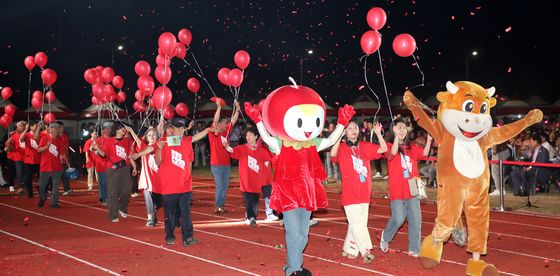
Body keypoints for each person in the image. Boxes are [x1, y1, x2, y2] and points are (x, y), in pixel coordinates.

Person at [330, 120, 387, 263]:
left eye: (355, 127)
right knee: (357, 223)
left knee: (359, 223)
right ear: (345, 132)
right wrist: (339, 137)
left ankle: (350, 249)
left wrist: (379, 134)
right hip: (350, 193)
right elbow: (332, 154)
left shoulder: (365, 146)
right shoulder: (342, 148)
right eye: (349, 128)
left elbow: (383, 149)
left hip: (364, 192)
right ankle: (365, 251)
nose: (353, 130)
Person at [379, 119, 432, 257]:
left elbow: (424, 154)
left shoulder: (411, 147)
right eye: (399, 127)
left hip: (412, 189)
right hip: (397, 189)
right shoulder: (389, 145)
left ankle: (414, 248)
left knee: (416, 219)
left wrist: (429, 141)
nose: (402, 129)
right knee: (398, 218)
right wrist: (397, 137)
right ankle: (386, 237)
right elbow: (393, 152)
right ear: (393, 129)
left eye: (404, 127)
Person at [155, 117, 210, 246]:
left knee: (186, 213)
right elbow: (158, 162)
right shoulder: (164, 142)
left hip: (185, 186)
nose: (180, 131)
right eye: (177, 128)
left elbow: (196, 138)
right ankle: (169, 236)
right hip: (169, 187)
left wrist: (207, 129)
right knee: (170, 215)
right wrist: (158, 148)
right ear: (171, 130)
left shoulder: (186, 141)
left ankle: (188, 237)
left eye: (182, 129)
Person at [223, 126, 271, 226]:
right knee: (248, 200)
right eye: (246, 135)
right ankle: (251, 217)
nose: (248, 137)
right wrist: (227, 146)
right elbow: (232, 151)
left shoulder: (261, 150)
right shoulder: (242, 148)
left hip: (256, 181)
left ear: (256, 137)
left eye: (250, 135)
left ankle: (252, 216)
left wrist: (266, 163)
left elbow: (269, 158)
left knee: (255, 201)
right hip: (245, 181)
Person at [92, 122, 138, 222]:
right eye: (122, 128)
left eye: (125, 128)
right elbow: (103, 154)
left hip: (125, 169)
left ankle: (122, 207)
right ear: (116, 129)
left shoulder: (128, 141)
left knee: (126, 191)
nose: (124, 130)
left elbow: (130, 156)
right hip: (112, 169)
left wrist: (134, 167)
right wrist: (97, 148)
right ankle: (113, 215)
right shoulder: (109, 141)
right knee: (112, 193)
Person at [208, 98, 240, 213]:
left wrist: (237, 109)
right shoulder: (213, 133)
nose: (226, 125)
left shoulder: (226, 132)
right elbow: (215, 121)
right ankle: (217, 206)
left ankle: (220, 205)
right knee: (220, 185)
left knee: (225, 186)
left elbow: (233, 120)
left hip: (226, 164)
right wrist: (219, 107)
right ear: (220, 123)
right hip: (216, 164)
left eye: (226, 123)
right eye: (224, 123)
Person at [131, 127, 161, 227]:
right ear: (146, 137)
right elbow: (138, 141)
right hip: (147, 177)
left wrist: (139, 154)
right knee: (149, 199)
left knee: (160, 201)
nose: (152, 137)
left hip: (158, 177)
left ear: (157, 136)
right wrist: (131, 130)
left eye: (154, 135)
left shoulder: (158, 145)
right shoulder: (143, 146)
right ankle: (151, 218)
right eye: (149, 135)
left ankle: (154, 211)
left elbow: (149, 150)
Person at [37, 123, 64, 208]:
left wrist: (62, 158)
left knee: (55, 186)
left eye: (57, 128)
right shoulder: (45, 138)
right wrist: (46, 147)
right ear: (50, 129)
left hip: (57, 166)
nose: (57, 130)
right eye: (55, 128)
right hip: (45, 166)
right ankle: (42, 198)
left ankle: (53, 203)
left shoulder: (60, 140)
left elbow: (61, 153)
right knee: (42, 185)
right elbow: (39, 150)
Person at [19, 121, 42, 198]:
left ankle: (41, 190)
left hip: (38, 160)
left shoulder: (40, 134)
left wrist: (39, 127)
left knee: (42, 177)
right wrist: (26, 129)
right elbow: (21, 139)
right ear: (31, 127)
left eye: (37, 126)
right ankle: (30, 192)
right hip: (28, 160)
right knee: (28, 177)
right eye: (35, 126)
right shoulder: (27, 135)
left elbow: (38, 140)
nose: (36, 127)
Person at [93, 122, 113, 206]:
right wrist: (96, 150)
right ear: (103, 130)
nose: (108, 130)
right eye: (107, 129)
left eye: (110, 128)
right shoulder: (98, 140)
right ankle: (104, 199)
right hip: (102, 166)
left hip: (113, 166)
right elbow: (93, 151)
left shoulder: (114, 139)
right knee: (103, 183)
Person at [4, 121, 26, 193]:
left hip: (24, 157)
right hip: (14, 156)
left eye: (23, 126)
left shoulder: (27, 134)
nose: (22, 127)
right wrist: (9, 144)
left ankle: (23, 185)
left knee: (24, 172)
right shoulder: (13, 135)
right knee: (13, 172)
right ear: (17, 127)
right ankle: (12, 185)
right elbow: (9, 147)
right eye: (20, 126)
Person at [57, 122, 73, 196]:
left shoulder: (65, 136)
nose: (62, 128)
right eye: (60, 127)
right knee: (57, 175)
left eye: (63, 127)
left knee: (65, 174)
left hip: (64, 158)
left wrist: (67, 160)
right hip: (57, 159)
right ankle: (52, 189)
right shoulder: (55, 137)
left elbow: (66, 149)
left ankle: (67, 188)